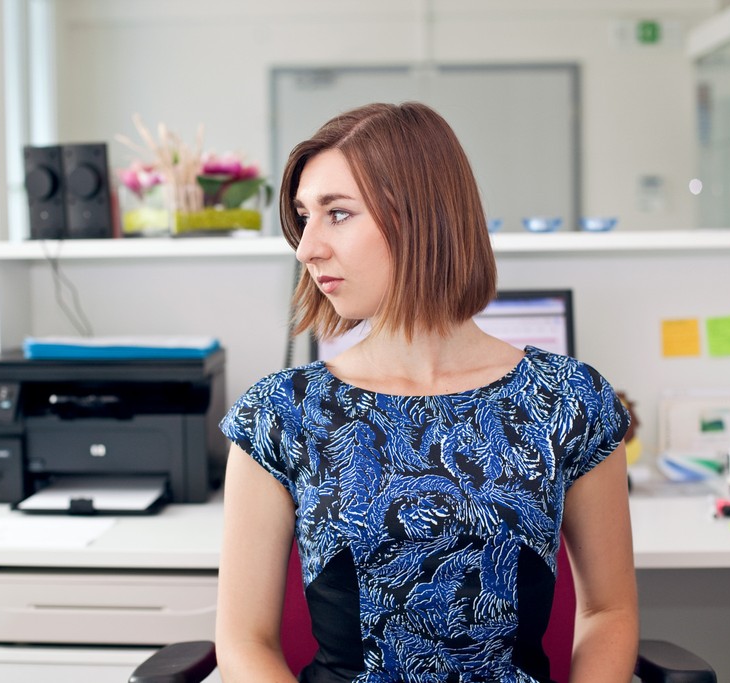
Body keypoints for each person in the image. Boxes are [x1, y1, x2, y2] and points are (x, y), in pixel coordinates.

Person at [215, 102, 638, 683]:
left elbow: (609, 612)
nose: (307, 247)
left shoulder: (569, 399)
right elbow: (244, 643)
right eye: (304, 217)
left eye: (338, 213)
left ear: (422, 217)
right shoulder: (280, 413)